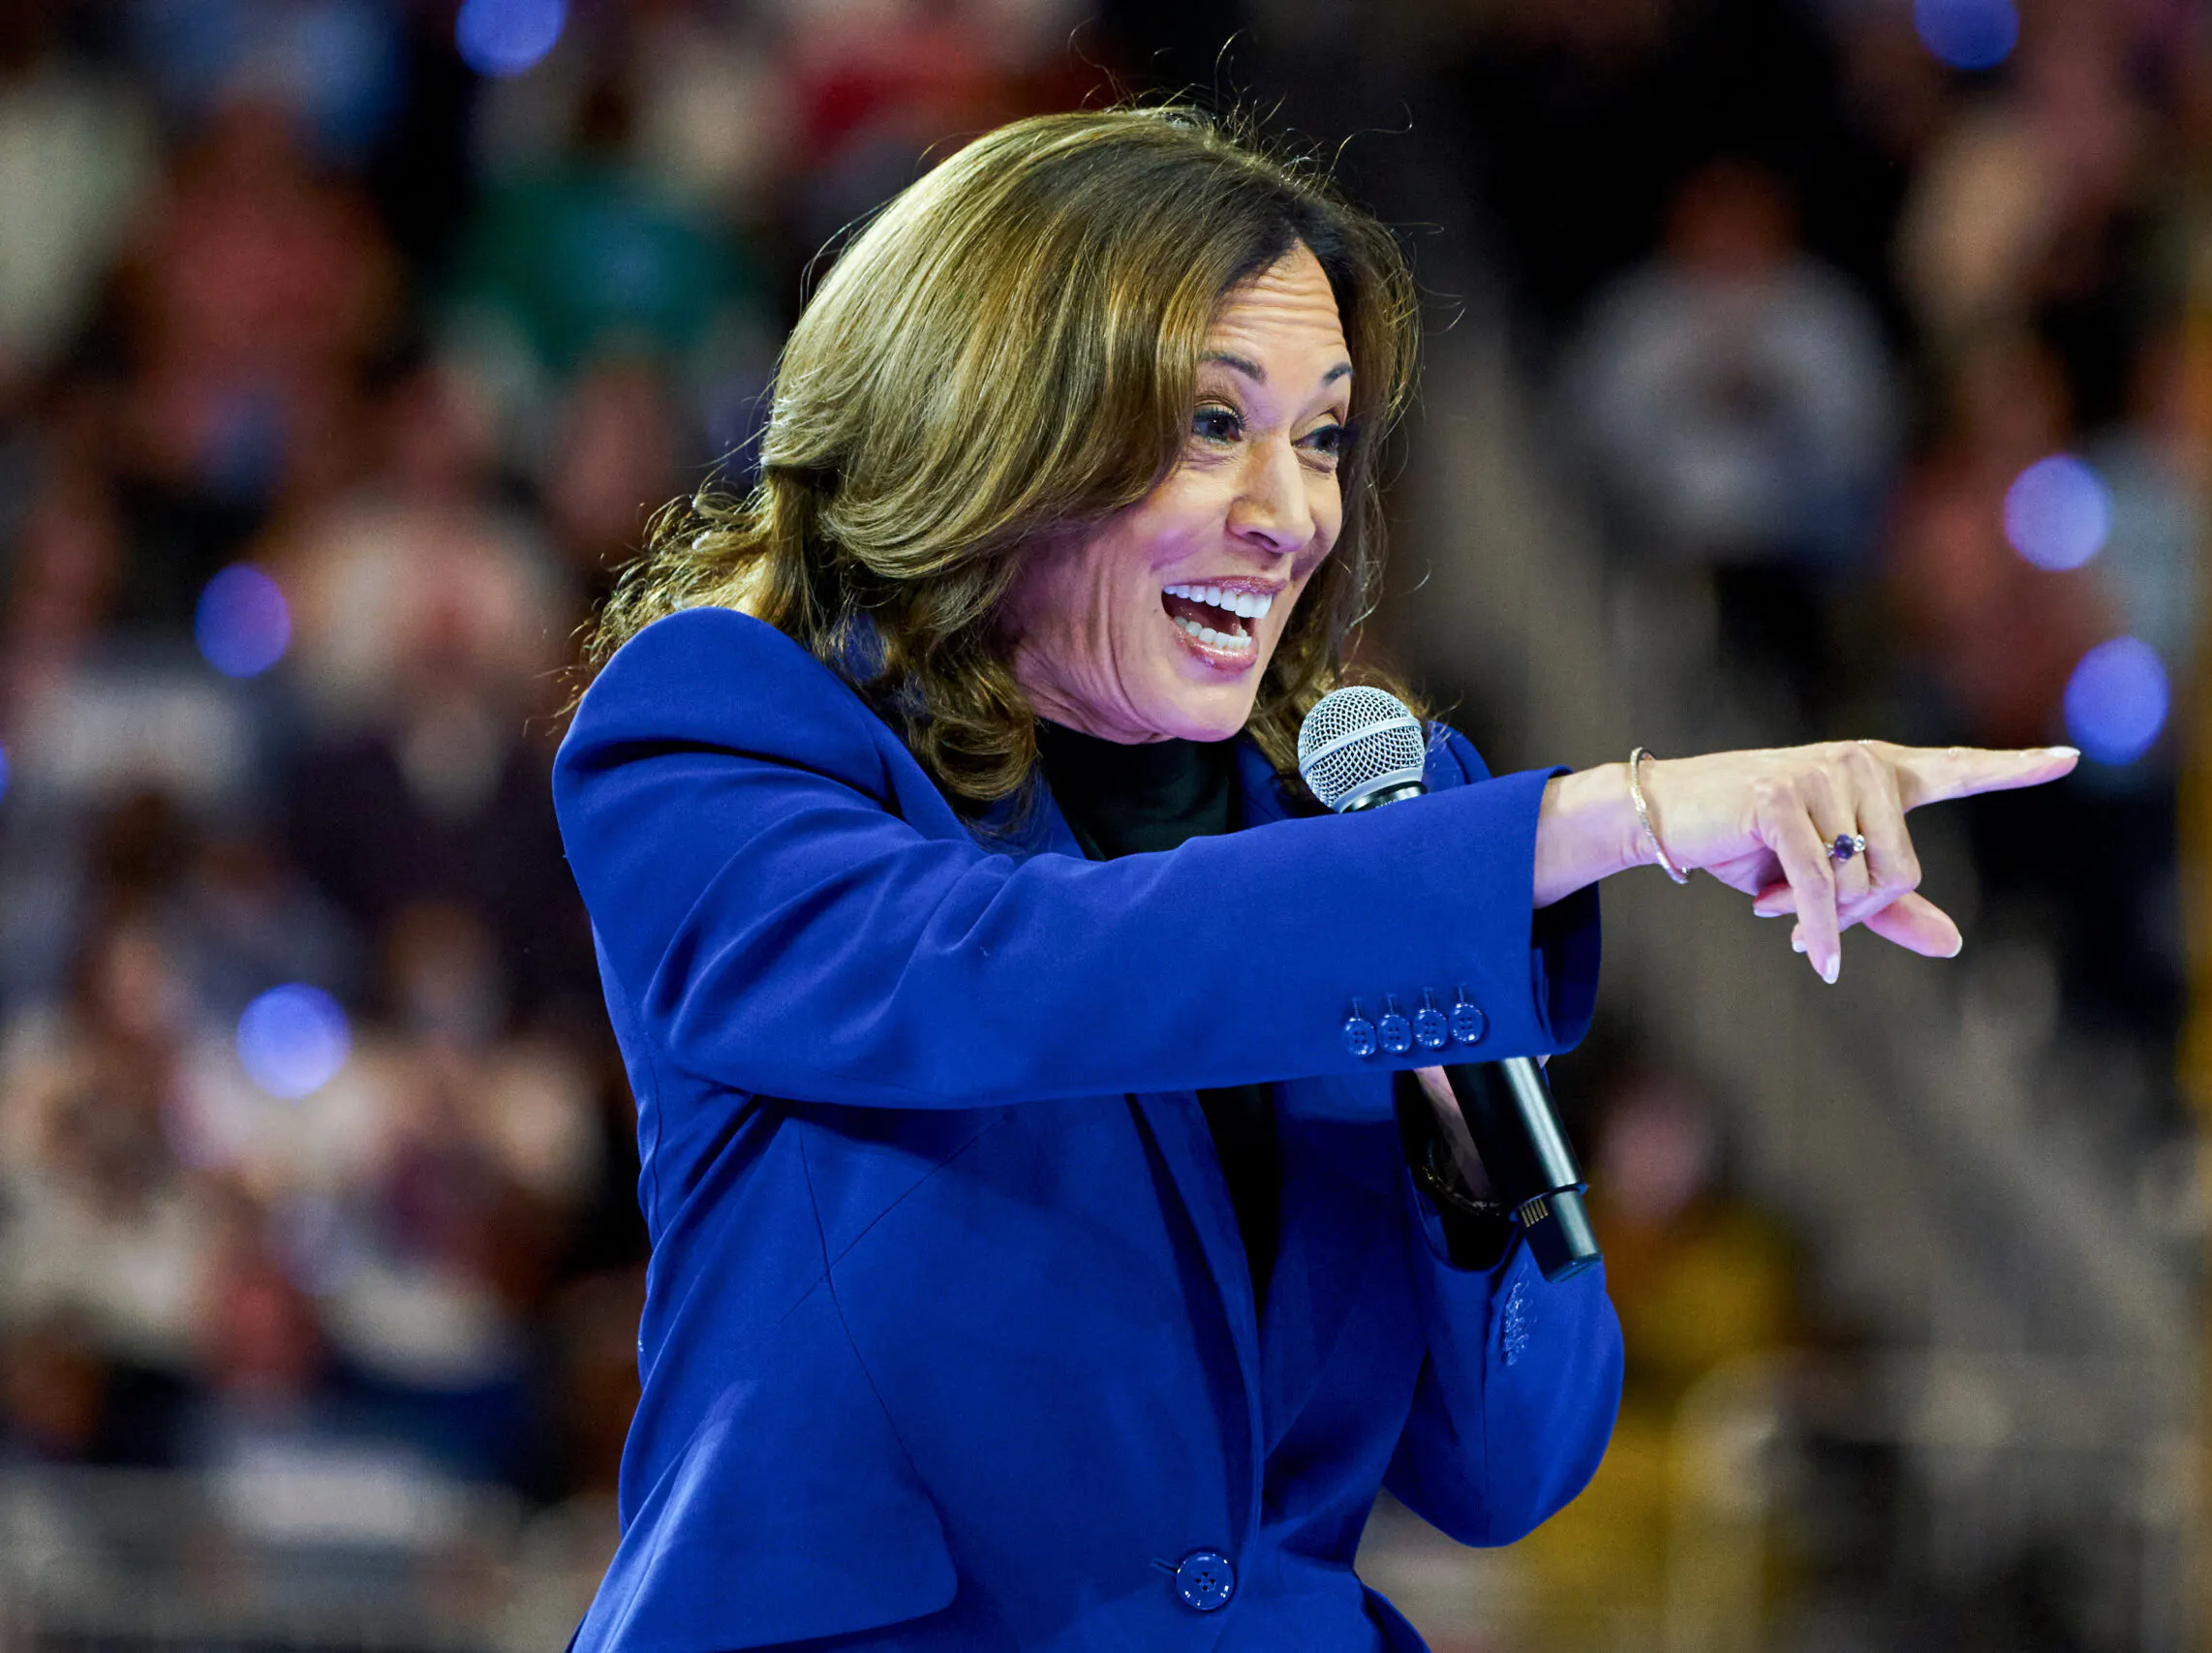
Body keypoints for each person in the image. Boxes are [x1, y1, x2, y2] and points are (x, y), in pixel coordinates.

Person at [552, 108, 2077, 1652]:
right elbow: (1001, 969)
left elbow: (1512, 1464)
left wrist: (1465, 1159)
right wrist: (1600, 820)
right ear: (994, 423)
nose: (1290, 515)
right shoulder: (726, 730)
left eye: (1325, 436)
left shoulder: (1364, 815)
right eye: (1214, 423)